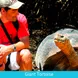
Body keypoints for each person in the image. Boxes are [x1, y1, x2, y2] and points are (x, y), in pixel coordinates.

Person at [0, 0, 32, 71]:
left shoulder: (20, 19)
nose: (17, 13)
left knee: (26, 54)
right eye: (14, 10)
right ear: (3, 11)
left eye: (17, 10)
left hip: (13, 52)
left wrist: (8, 49)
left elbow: (25, 43)